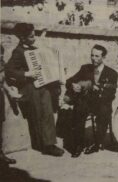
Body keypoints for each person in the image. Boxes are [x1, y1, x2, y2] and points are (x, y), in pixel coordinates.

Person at [5, 23, 64, 157]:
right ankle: (48, 145)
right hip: (29, 86)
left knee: (47, 108)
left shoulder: (35, 48)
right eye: (31, 36)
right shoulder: (19, 51)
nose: (34, 38)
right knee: (44, 111)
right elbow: (8, 70)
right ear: (22, 38)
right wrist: (27, 74)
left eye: (34, 35)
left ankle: (45, 142)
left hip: (41, 84)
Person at [65, 44, 118, 158]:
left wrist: (97, 91)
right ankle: (78, 145)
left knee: (104, 111)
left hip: (102, 102)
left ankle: (97, 143)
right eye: (92, 55)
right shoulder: (85, 68)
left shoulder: (112, 73)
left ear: (103, 57)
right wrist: (73, 85)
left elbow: (111, 94)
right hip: (86, 102)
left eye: (97, 56)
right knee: (78, 109)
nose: (93, 58)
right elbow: (69, 81)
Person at [0, 45, 17, 167]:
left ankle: (0, 154)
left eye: (1, 54)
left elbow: (2, 80)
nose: (1, 56)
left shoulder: (1, 63)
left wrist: (9, 91)